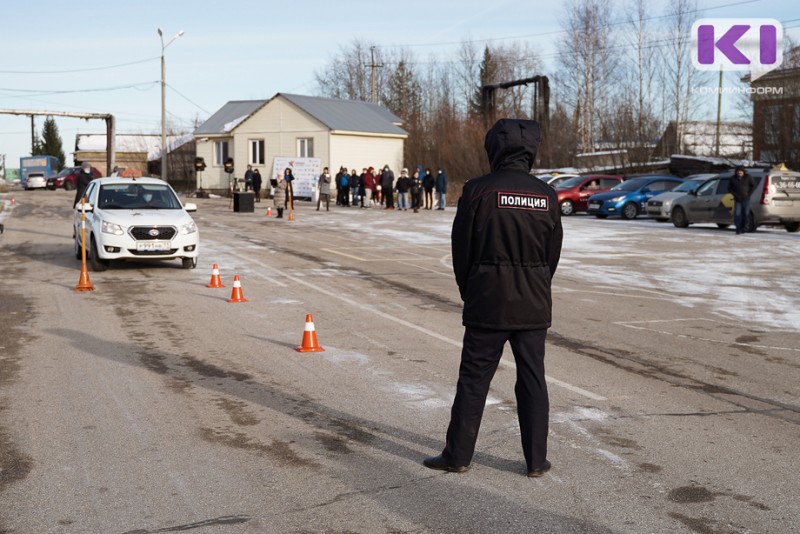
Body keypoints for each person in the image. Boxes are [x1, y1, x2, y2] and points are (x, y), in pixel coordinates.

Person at [423, 119, 563, 478]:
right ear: (531, 150)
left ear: (494, 148)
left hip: (487, 299)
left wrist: (470, 290)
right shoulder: (546, 195)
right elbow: (552, 254)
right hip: (532, 302)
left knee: (473, 380)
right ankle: (536, 461)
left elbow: (461, 252)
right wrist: (536, 283)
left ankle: (458, 456)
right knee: (533, 379)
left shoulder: (478, 190)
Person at [729, 165, 756, 234]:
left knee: (746, 214)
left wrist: (748, 194)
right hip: (737, 199)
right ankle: (738, 228)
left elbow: (753, 186)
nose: (739, 172)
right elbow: (729, 188)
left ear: (743, 171)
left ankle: (744, 227)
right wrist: (735, 195)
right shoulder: (733, 178)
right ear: (736, 172)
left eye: (741, 171)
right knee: (737, 214)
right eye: (738, 171)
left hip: (746, 199)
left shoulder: (748, 177)